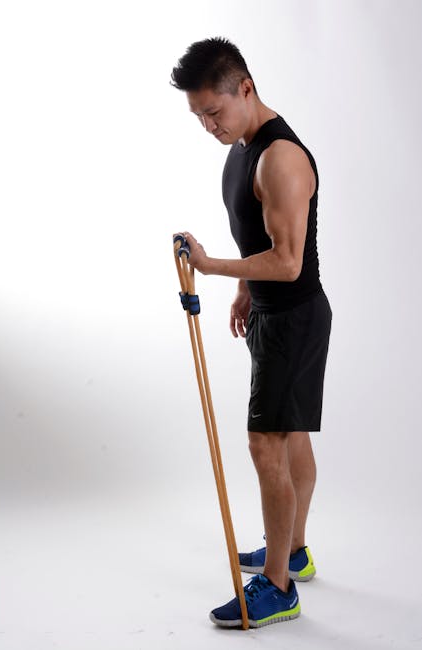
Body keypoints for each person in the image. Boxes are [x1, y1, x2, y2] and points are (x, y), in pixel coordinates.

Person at [171, 37, 332, 629]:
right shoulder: (241, 147)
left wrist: (215, 270)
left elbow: (288, 261)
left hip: (293, 316)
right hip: (271, 312)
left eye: (213, 111)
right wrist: (244, 288)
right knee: (289, 435)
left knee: (266, 444)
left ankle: (279, 587)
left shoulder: (280, 158)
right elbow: (258, 239)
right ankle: (293, 550)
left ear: (245, 87)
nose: (207, 125)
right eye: (198, 116)